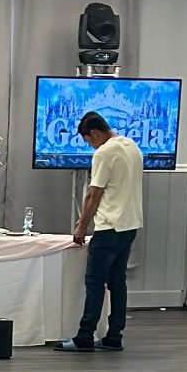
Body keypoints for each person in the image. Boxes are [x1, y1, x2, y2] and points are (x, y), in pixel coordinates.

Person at [61, 110, 143, 353]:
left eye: (88, 141)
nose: (89, 146)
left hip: (109, 227)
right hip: (130, 225)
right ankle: (114, 336)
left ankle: (85, 336)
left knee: (95, 283)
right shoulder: (132, 147)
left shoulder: (104, 153)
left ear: (94, 133)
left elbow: (93, 194)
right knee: (118, 283)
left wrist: (81, 226)